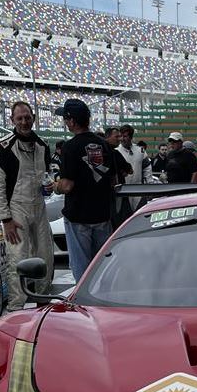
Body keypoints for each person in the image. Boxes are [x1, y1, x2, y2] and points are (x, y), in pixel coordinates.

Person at [0, 100, 54, 311]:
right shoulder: (1, 147)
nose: (24, 122)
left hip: (39, 206)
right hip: (15, 209)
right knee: (18, 258)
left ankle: (43, 302)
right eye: (20, 118)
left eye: (27, 117)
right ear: (12, 120)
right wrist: (5, 219)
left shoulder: (42, 145)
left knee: (45, 256)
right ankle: (16, 307)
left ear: (33, 118)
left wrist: (49, 186)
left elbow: (46, 176)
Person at [55, 99, 123, 281]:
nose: (65, 122)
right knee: (103, 269)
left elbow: (67, 185)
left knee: (82, 271)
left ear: (71, 121)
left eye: (66, 119)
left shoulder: (70, 146)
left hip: (79, 216)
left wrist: (56, 186)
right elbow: (113, 181)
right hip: (102, 214)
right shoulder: (104, 145)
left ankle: (84, 299)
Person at [116, 123, 153, 210]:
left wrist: (150, 186)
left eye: (125, 136)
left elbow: (147, 169)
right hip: (123, 191)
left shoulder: (140, 150)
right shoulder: (115, 151)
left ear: (131, 137)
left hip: (139, 190)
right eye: (121, 136)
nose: (122, 139)